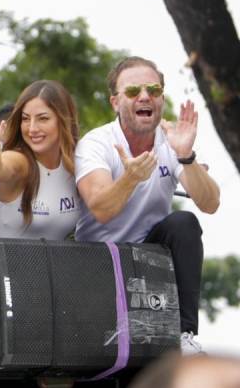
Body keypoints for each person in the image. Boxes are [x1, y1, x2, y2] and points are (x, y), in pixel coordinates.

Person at [75, 56, 220, 353]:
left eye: (153, 90)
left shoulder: (171, 142)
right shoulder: (96, 143)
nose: (144, 97)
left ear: (161, 99)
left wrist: (186, 156)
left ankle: (185, 334)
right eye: (132, 91)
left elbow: (210, 203)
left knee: (184, 223)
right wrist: (130, 178)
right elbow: (101, 209)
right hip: (100, 261)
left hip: (149, 259)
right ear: (115, 102)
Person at [0, 80, 81, 239]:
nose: (32, 129)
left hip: (53, 263)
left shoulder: (76, 162)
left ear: (64, 120)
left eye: (43, 118)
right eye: (25, 119)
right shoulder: (21, 160)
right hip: (3, 263)